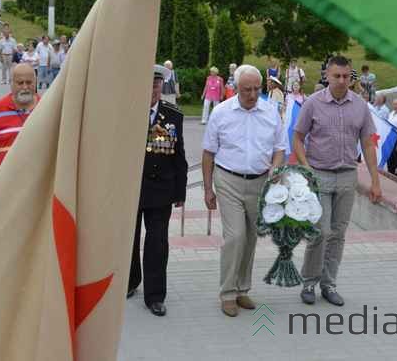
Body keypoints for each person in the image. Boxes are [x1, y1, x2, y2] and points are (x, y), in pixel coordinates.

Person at [293, 55, 381, 307]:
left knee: (338, 234)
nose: (342, 81)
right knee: (321, 232)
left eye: (346, 76)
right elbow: (298, 138)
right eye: (337, 76)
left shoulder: (360, 106)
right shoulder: (313, 103)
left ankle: (329, 284)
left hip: (346, 175)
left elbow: (368, 142)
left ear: (351, 77)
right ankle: (309, 281)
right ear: (327, 76)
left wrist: (375, 181)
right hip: (319, 174)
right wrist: (307, 169)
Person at [201, 65, 287, 317]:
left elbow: (280, 149)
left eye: (256, 89)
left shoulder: (271, 112)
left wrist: (275, 168)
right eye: (246, 89)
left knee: (250, 238)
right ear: (236, 88)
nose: (251, 94)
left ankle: (242, 289)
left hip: (260, 182)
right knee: (235, 236)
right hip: (228, 180)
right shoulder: (221, 112)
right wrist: (208, 189)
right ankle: (227, 293)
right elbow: (208, 153)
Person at [128, 65, 187, 317]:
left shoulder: (173, 115)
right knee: (128, 241)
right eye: (147, 83)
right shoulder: (126, 112)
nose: (151, 89)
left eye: (155, 84)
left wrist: (180, 192)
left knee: (157, 243)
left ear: (161, 86)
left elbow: (179, 154)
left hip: (161, 188)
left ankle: (155, 295)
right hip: (129, 189)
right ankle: (130, 282)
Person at [0, 64, 40, 199]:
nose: (25, 87)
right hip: (5, 188)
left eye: (29, 82)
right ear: (11, 83)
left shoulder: (47, 108)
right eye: (20, 83)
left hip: (40, 188)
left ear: (36, 83)